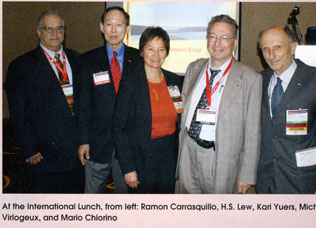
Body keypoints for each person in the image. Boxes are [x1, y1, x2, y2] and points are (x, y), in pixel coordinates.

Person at [176, 15, 262, 194]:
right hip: (188, 150)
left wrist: (247, 174)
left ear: (235, 42)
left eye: (225, 38)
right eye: (212, 36)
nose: (217, 43)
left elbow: (253, 131)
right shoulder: (194, 68)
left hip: (220, 157)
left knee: (218, 215)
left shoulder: (250, 78)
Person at [6, 10, 84, 193]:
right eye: (49, 29)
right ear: (38, 32)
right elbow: (18, 113)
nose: (55, 34)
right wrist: (28, 148)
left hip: (78, 154)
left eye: (59, 28)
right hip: (44, 157)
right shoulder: (21, 66)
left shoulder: (78, 59)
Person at [256, 25, 316, 194]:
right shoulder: (258, 80)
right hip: (266, 180)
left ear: (293, 47)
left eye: (278, 47)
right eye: (266, 49)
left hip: (304, 180)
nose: (271, 55)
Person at [77, 6, 142, 193]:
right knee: (93, 197)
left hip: (128, 145)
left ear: (127, 28)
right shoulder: (87, 60)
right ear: (101, 27)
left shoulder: (138, 59)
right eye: (109, 25)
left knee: (125, 199)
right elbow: (83, 105)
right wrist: (83, 140)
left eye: (119, 25)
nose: (114, 31)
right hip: (97, 144)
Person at [112, 27, 183, 193]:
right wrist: (128, 168)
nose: (156, 55)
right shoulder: (130, 82)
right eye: (150, 49)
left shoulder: (174, 80)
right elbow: (118, 129)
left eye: (161, 49)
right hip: (140, 157)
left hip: (168, 155)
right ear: (142, 51)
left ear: (167, 52)